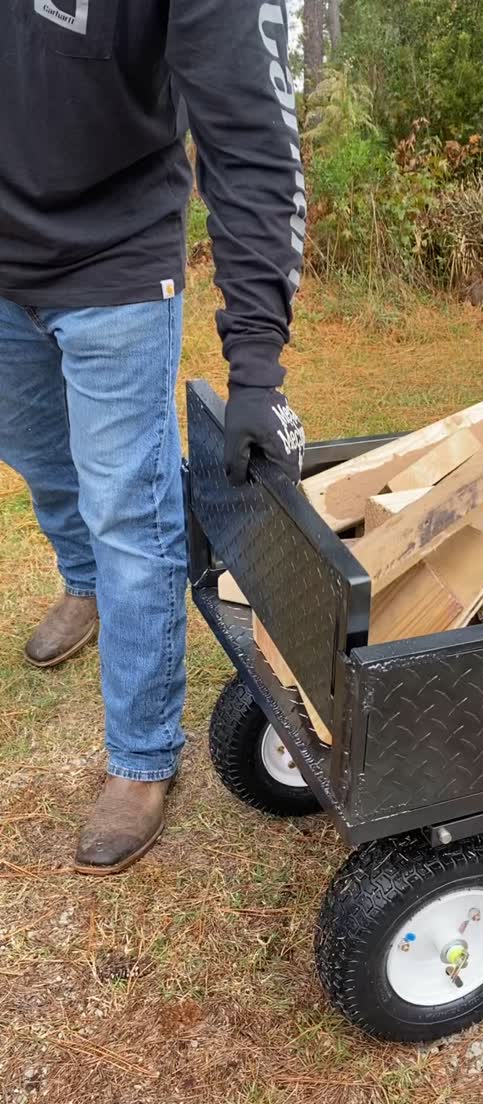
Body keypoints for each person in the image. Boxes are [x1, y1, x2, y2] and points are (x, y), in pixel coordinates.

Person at [0, 0, 306, 875]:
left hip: (116, 261)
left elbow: (250, 138)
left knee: (129, 511)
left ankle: (140, 757)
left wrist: (256, 368)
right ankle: (84, 582)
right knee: (40, 457)